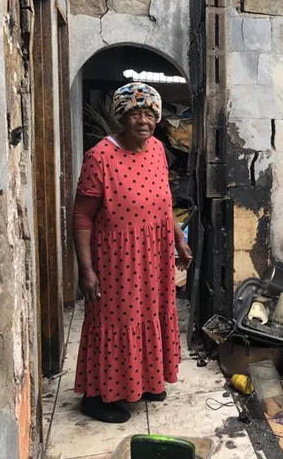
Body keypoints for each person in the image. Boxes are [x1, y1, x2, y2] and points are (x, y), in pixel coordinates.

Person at [72, 82, 192, 423]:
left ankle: (147, 381)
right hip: (117, 259)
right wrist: (86, 270)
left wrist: (178, 238)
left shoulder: (157, 149)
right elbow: (81, 216)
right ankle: (98, 397)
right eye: (135, 113)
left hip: (154, 254)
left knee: (152, 312)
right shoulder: (99, 157)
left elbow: (164, 201)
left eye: (150, 113)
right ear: (121, 117)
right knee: (117, 321)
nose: (144, 120)